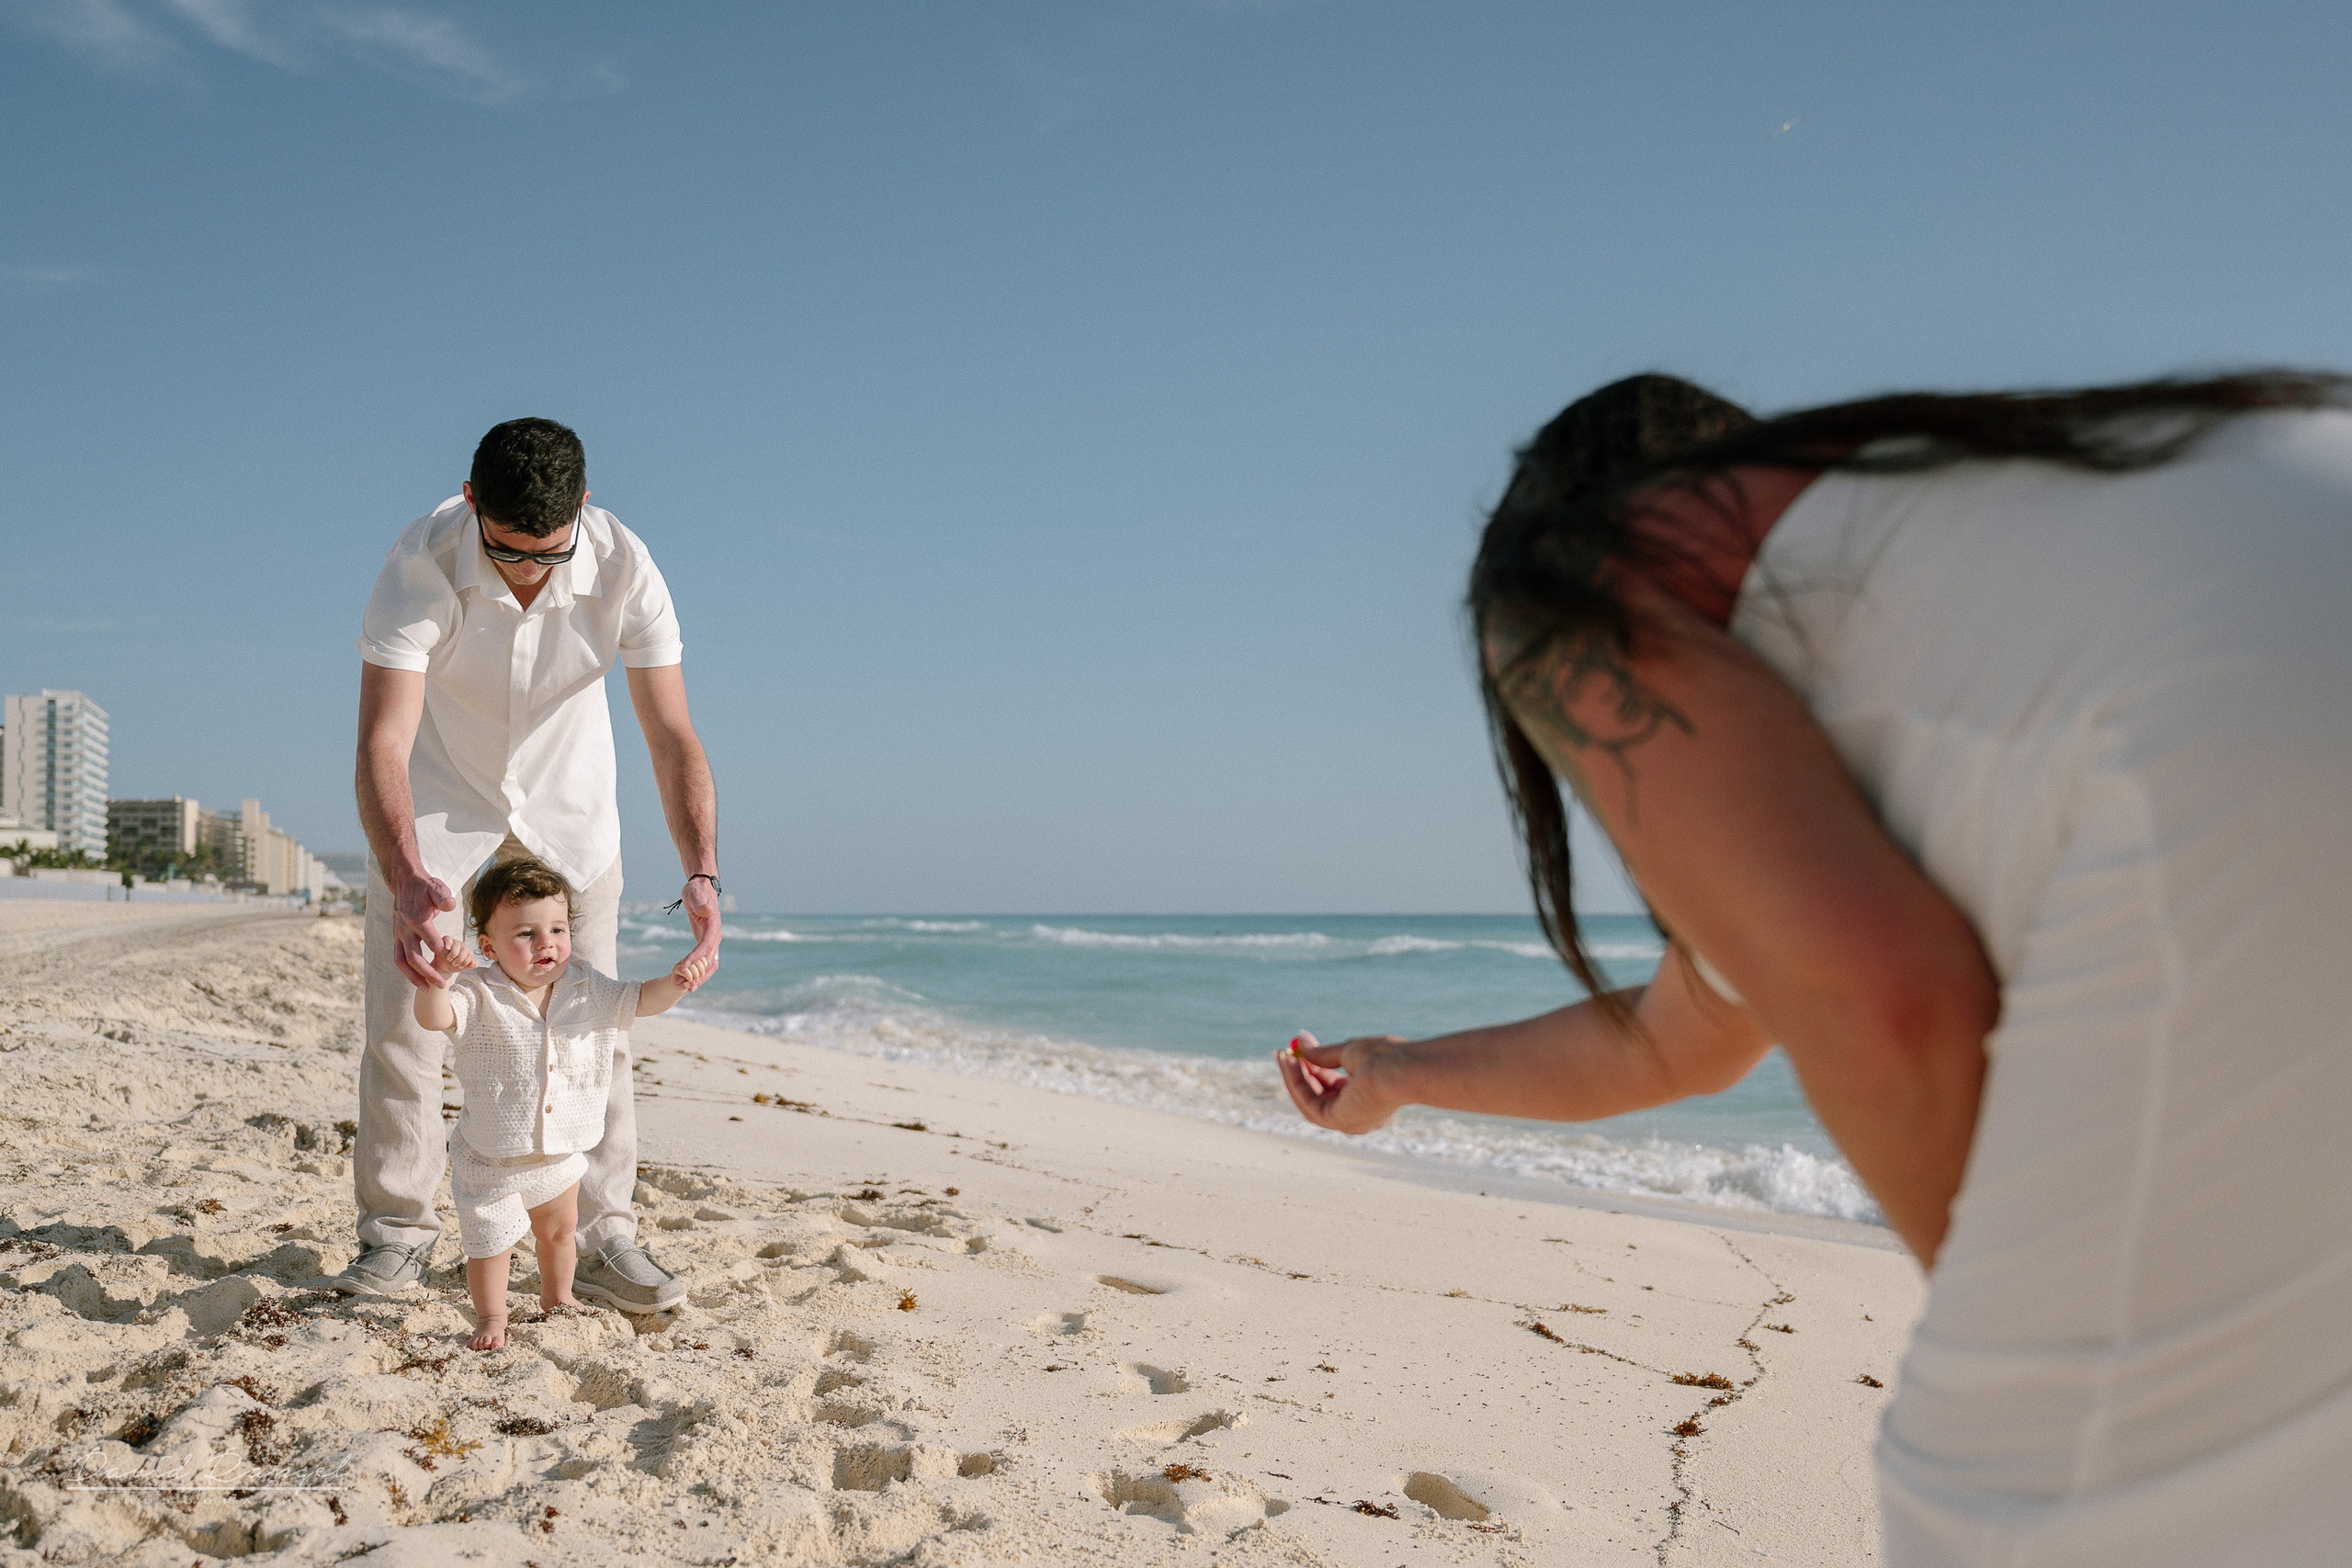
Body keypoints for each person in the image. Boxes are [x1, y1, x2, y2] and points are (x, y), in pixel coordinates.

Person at [1277, 370, 2352, 1566]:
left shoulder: (1565, 579)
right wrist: (1397, 1070)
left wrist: (2032, 1360)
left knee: (2011, 1494)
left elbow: (1882, 1005)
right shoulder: (1975, 540)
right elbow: (1675, 1036)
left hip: (2231, 760)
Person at [335, 416, 723, 1314]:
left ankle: (603, 1237)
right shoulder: (417, 567)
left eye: (548, 554)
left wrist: (700, 871)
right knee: (405, 1028)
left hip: (571, 823)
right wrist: (405, 882)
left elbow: (671, 737)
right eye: (507, 551)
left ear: (581, 512)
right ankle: (395, 1237)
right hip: (436, 820)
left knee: (595, 1032)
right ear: (473, 505)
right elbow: (382, 744)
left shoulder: (627, 569)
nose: (526, 573)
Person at [412, 857, 709, 1349]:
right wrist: (438, 977)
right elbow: (433, 1018)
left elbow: (638, 999)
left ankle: (558, 1296)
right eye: (526, 933)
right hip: (492, 1154)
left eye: (556, 928)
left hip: (561, 1149)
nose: (546, 943)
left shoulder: (587, 986)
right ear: (488, 947)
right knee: (491, 1243)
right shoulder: (478, 993)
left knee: (559, 1231)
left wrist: (676, 983)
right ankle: (491, 1316)